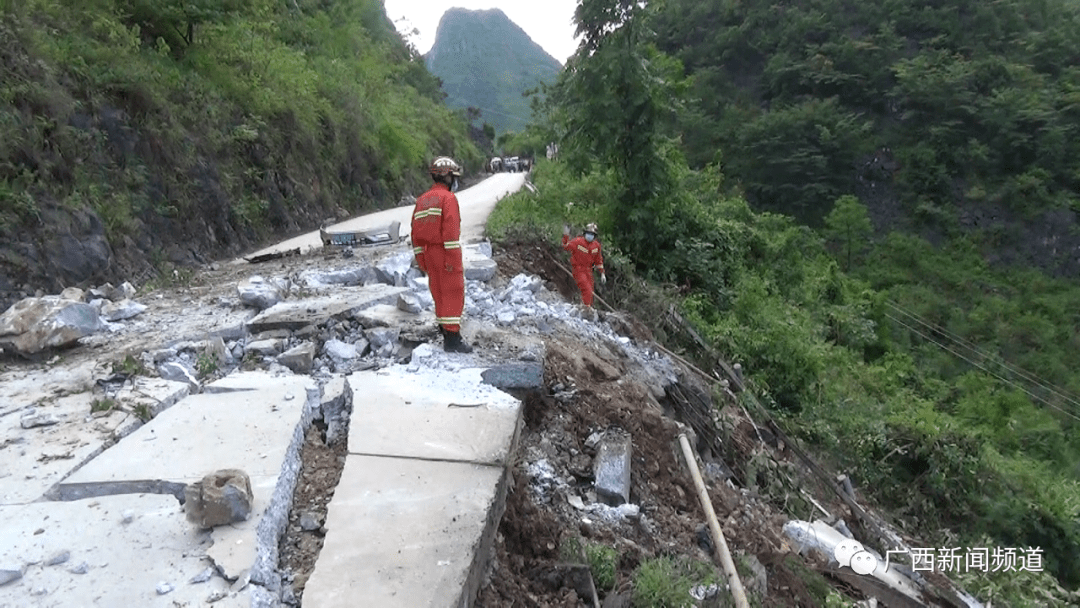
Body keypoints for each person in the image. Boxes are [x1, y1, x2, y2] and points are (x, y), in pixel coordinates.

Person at [411, 156, 473, 353]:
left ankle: (444, 328)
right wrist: (453, 260)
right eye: (454, 177)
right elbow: (451, 233)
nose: (455, 181)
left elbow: (416, 233)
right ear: (448, 177)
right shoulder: (448, 199)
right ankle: (452, 339)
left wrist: (421, 258)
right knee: (453, 292)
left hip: (429, 254)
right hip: (445, 252)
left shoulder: (422, 200)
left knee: (438, 291)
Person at [562, 222, 606, 307]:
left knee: (590, 292)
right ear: (585, 233)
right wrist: (566, 235)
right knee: (587, 290)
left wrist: (602, 273)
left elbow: (598, 260)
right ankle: (586, 309)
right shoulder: (578, 242)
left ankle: (585, 307)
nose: (590, 235)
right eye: (588, 233)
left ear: (595, 236)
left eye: (592, 234)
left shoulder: (596, 246)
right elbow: (566, 246)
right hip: (578, 269)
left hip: (589, 271)